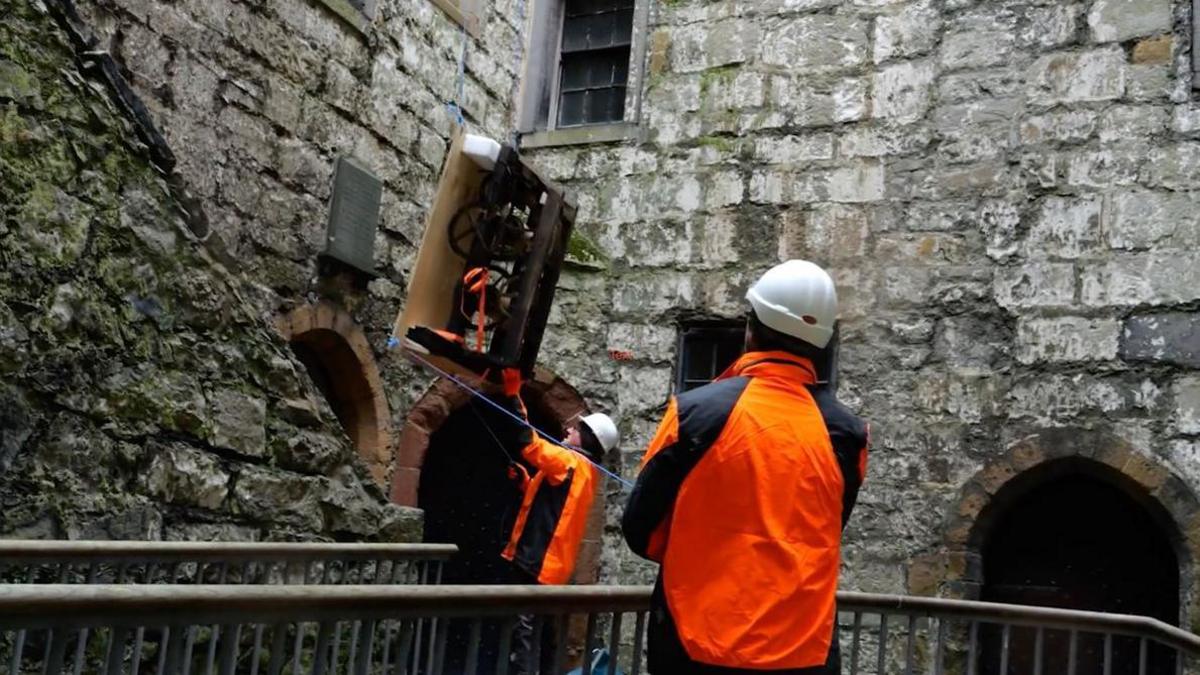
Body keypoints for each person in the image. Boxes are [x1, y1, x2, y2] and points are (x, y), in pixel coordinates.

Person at [622, 260, 869, 674]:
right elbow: (827, 524)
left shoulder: (695, 411)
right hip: (804, 653)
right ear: (820, 342)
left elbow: (640, 531)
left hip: (698, 645)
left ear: (751, 329)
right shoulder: (848, 433)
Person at [495, 369, 620, 673]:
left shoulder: (568, 461)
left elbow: (528, 443)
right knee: (537, 636)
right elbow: (557, 506)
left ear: (587, 439)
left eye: (576, 429)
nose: (568, 431)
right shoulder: (586, 473)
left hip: (535, 564)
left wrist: (513, 395)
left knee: (521, 638)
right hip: (552, 569)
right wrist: (527, 484)